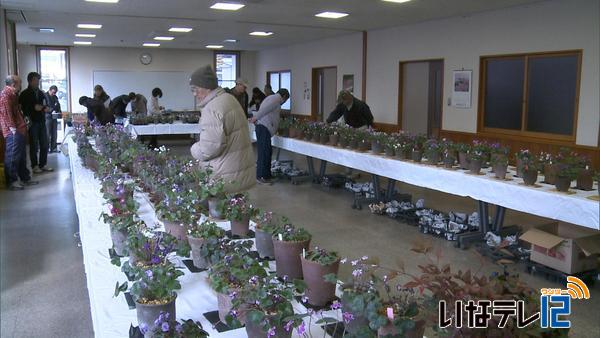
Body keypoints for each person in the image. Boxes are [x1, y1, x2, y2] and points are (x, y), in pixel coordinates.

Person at [189, 65, 255, 194]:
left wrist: (194, 148)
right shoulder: (229, 99)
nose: (194, 94)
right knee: (235, 210)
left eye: (195, 89)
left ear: (207, 87)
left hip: (224, 175)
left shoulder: (212, 108)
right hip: (238, 169)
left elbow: (209, 149)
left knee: (218, 212)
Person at [0, 75, 38, 190]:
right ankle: (12, 181)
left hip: (19, 128)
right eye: (20, 83)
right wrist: (12, 128)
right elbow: (6, 113)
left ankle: (24, 178)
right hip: (13, 131)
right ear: (13, 84)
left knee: (21, 156)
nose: (21, 85)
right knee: (12, 156)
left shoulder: (13, 94)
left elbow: (16, 111)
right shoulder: (6, 95)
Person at [250, 88, 290, 184]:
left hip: (265, 128)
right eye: (286, 100)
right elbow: (264, 110)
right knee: (264, 153)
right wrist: (255, 118)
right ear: (284, 97)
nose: (284, 102)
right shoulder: (275, 99)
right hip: (263, 128)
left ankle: (267, 175)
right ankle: (261, 176)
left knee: (267, 152)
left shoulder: (272, 98)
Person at [19, 72, 53, 173]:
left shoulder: (41, 92)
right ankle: (34, 166)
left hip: (42, 120)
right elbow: (21, 108)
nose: (37, 82)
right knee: (33, 145)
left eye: (38, 80)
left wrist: (45, 108)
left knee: (44, 144)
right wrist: (33, 108)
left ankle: (43, 164)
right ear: (30, 81)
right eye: (35, 80)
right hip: (32, 122)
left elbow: (44, 104)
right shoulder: (24, 93)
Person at [44, 85, 61, 153]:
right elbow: (44, 107)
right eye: (53, 92)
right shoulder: (44, 96)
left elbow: (58, 105)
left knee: (54, 133)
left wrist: (59, 111)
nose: (54, 94)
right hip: (47, 117)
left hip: (54, 117)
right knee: (47, 133)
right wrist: (51, 110)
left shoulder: (55, 97)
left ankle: (53, 148)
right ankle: (46, 148)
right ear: (50, 90)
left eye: (55, 92)